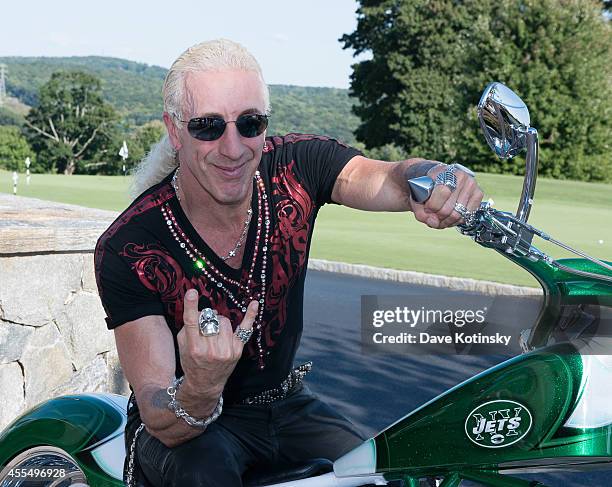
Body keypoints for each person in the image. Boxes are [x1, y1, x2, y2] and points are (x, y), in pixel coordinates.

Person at [94, 39, 484, 487]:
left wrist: (430, 176)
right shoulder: (130, 246)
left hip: (285, 404)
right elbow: (157, 409)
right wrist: (201, 386)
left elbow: (380, 176)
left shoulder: (294, 167)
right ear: (174, 129)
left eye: (251, 123)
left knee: (382, 476)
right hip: (192, 433)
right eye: (207, 127)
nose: (233, 147)